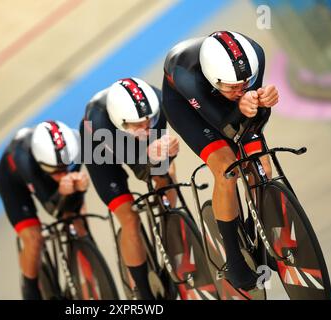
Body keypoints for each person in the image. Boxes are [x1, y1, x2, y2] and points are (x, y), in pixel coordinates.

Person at [162, 31, 279, 290]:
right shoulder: (186, 75)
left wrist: (263, 102)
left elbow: (255, 119)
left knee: (262, 164)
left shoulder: (254, 55)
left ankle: (257, 225)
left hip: (222, 103)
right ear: (215, 80)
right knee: (227, 170)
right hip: (187, 106)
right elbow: (225, 128)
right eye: (233, 87)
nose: (241, 90)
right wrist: (242, 106)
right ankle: (234, 261)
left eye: (245, 83)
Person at [80, 77, 180, 299]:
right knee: (129, 219)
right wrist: (152, 157)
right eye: (139, 125)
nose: (146, 128)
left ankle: (168, 222)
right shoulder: (98, 120)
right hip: (101, 150)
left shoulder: (157, 104)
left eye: (149, 121)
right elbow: (141, 169)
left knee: (166, 176)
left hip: (132, 136)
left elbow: (159, 161)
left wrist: (167, 153)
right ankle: (143, 293)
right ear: (122, 121)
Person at [0, 121, 89, 300]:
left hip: (45, 171)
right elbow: (52, 209)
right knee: (34, 238)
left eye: (65, 168)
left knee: (78, 220)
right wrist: (62, 191)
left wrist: (80, 188)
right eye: (56, 171)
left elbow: (73, 202)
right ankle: (31, 290)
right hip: (14, 182)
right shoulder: (24, 158)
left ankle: (90, 281)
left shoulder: (77, 144)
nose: (62, 174)